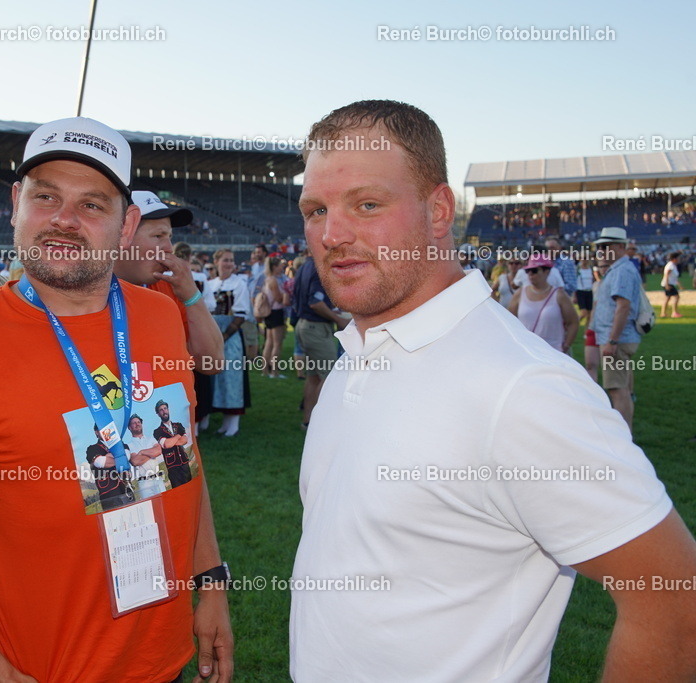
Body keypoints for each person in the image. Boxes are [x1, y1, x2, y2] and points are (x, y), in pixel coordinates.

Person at [290, 100, 696, 682]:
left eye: (368, 204)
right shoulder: (359, 350)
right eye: (315, 209)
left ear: (438, 211)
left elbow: (673, 597)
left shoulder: (523, 388)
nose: (331, 234)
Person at [0, 117, 233, 683]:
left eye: (92, 204)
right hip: (45, 668)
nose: (63, 220)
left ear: (127, 223)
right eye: (46, 197)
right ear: (16, 203)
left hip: (166, 658)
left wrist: (210, 582)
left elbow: (180, 464)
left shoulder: (161, 317)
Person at [118, 191, 224, 373]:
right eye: (158, 236)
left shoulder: (171, 287)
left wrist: (192, 296)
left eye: (170, 237)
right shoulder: (83, 290)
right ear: (122, 236)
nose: (168, 248)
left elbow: (212, 362)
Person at [591, 227, 645, 431]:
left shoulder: (622, 270)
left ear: (620, 247)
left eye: (606, 246)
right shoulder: (620, 268)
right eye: (600, 247)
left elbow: (623, 307)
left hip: (616, 339)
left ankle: (623, 437)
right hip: (618, 338)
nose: (602, 251)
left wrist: (612, 341)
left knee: (617, 390)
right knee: (622, 388)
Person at [292, 256, 346, 428]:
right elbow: (316, 303)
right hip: (315, 328)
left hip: (305, 325)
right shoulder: (317, 267)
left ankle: (309, 421)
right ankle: (322, 423)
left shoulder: (305, 265)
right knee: (329, 376)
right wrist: (339, 319)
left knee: (313, 376)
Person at [202, 249, 251, 436]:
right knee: (213, 377)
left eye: (231, 261)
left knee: (231, 378)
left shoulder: (239, 284)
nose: (229, 264)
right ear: (216, 262)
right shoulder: (210, 283)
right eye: (225, 260)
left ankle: (232, 423)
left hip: (229, 335)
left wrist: (223, 336)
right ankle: (217, 420)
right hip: (210, 331)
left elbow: (241, 315)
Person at [508, 255, 579, 353]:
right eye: (528, 271)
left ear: (547, 271)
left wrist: (566, 345)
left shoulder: (559, 295)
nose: (530, 274)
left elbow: (573, 322)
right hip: (527, 352)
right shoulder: (520, 294)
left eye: (535, 271)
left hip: (553, 351)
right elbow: (509, 321)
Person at [123, 413, 167, 499]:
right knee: (150, 506)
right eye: (134, 423)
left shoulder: (151, 439)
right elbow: (135, 461)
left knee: (165, 502)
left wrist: (142, 452)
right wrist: (151, 453)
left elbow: (158, 451)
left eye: (139, 422)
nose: (137, 424)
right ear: (129, 427)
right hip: (144, 483)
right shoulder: (129, 445)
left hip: (158, 478)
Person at [260, 256, 290, 377]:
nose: (282, 267)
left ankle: (265, 371)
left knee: (269, 342)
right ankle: (274, 371)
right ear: (274, 267)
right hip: (276, 312)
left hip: (270, 313)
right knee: (277, 344)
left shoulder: (268, 279)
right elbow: (278, 298)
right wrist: (287, 293)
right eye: (279, 266)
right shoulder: (273, 280)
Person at [661, 250, 683, 318]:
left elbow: (674, 277)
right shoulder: (671, 265)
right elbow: (666, 275)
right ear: (674, 259)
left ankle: (663, 313)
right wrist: (667, 284)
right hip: (669, 284)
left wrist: (679, 285)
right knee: (676, 297)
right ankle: (674, 312)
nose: (679, 259)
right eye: (678, 258)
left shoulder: (673, 265)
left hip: (670, 284)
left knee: (667, 298)